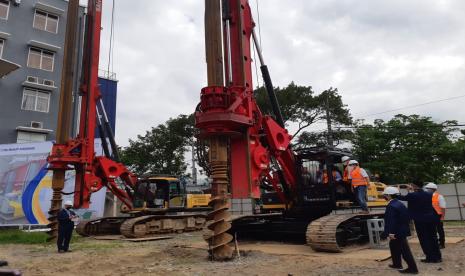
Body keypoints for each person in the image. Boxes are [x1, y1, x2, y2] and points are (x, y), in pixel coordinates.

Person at [398, 180, 442, 263]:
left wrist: (398, 189)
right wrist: (411, 190)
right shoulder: (429, 194)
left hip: (420, 220)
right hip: (430, 218)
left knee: (424, 239)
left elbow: (400, 197)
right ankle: (438, 257)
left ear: (414, 185)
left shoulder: (412, 195)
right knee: (433, 238)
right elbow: (416, 197)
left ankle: (430, 257)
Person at [383, 186, 418, 274]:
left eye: (385, 195)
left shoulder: (391, 206)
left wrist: (391, 233)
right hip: (401, 230)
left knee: (405, 251)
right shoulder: (399, 203)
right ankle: (397, 264)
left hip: (397, 232)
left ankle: (413, 269)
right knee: (394, 246)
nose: (384, 197)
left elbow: (392, 221)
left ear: (389, 196)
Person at [424, 183, 446, 249]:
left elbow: (443, 207)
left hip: (437, 215)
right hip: (429, 215)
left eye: (427, 188)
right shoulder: (426, 196)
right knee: (431, 230)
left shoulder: (439, 196)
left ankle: (442, 243)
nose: (426, 190)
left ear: (432, 189)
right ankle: (434, 242)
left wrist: (442, 217)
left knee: (440, 230)